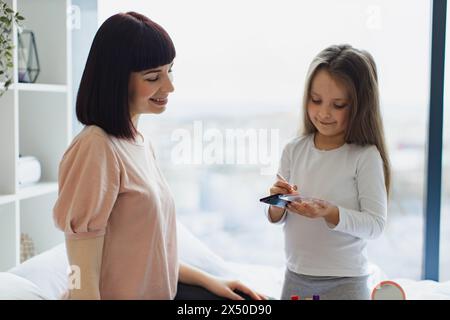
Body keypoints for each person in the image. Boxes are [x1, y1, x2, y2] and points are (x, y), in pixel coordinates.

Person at [53, 11, 264, 300]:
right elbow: (79, 274)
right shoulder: (96, 148)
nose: (169, 86)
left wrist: (211, 281)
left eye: (169, 71)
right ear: (117, 80)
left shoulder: (139, 144)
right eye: (153, 77)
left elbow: (147, 255)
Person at [266, 44, 390, 300]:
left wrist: (330, 212)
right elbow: (277, 216)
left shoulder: (364, 156)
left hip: (347, 282)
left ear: (359, 105)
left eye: (338, 104)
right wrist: (277, 202)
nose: (323, 113)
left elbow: (375, 225)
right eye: (316, 100)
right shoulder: (294, 149)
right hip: (296, 276)